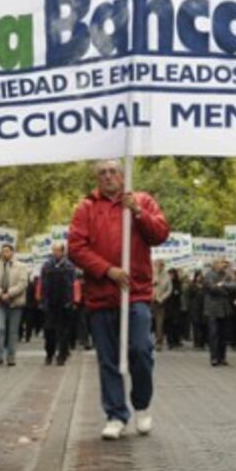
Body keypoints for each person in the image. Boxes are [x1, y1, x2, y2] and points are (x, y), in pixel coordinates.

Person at [69, 159, 170, 440]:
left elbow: (160, 234)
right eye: (102, 173)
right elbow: (75, 248)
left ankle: (142, 404)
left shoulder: (142, 200)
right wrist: (107, 270)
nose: (108, 176)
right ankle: (115, 415)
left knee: (141, 349)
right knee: (108, 359)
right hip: (101, 296)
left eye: (113, 171)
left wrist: (138, 212)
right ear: (97, 178)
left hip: (135, 293)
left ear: (123, 175)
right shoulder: (86, 207)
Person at [0, 244, 29, 366]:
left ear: (12, 252)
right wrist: (0, 293)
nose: (4, 253)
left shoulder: (21, 266)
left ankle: (11, 357)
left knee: (12, 331)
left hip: (15, 302)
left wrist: (10, 294)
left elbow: (23, 283)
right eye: (2, 251)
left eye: (7, 251)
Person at [41, 243, 76, 366]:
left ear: (62, 252)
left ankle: (62, 355)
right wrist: (43, 301)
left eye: (57, 250)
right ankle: (49, 354)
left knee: (63, 331)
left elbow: (72, 285)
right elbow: (43, 285)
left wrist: (70, 301)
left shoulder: (69, 266)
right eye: (54, 250)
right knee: (49, 330)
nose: (55, 252)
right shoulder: (46, 265)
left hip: (64, 303)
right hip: (50, 303)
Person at [204, 258, 235, 366]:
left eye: (225, 263)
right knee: (214, 334)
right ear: (215, 264)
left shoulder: (226, 275)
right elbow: (212, 288)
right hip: (213, 309)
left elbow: (233, 286)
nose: (224, 265)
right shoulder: (209, 275)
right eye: (222, 263)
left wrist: (222, 285)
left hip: (224, 309)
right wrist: (224, 289)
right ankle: (214, 357)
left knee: (223, 334)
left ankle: (222, 357)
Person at [151, 261, 171, 351]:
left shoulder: (167, 276)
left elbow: (169, 290)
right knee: (148, 322)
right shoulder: (152, 274)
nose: (157, 267)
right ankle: (147, 340)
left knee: (159, 323)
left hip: (160, 302)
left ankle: (159, 342)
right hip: (150, 301)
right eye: (156, 265)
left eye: (160, 265)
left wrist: (162, 298)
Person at [188, 271, 207, 349]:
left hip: (203, 307)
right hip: (195, 308)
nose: (199, 277)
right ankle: (196, 342)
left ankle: (202, 342)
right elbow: (190, 295)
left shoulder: (205, 285)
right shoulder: (192, 285)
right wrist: (197, 288)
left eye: (200, 276)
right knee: (195, 325)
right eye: (198, 276)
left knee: (203, 325)